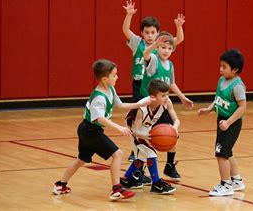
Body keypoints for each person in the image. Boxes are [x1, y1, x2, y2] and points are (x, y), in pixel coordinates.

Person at [52, 59, 151, 201]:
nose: (117, 77)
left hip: (87, 129)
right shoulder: (99, 97)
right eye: (114, 75)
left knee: (81, 159)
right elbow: (99, 118)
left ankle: (60, 185)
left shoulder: (110, 89)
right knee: (118, 154)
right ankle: (117, 189)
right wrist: (119, 127)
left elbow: (120, 105)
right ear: (105, 79)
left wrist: (140, 104)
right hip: (91, 130)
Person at [122, 0, 184, 163]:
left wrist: (179, 26)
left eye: (153, 32)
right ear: (142, 33)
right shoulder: (137, 42)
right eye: (147, 32)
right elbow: (125, 30)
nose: (150, 35)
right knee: (140, 117)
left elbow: (177, 40)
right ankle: (135, 148)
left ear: (157, 34)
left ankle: (163, 158)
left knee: (153, 118)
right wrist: (129, 15)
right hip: (140, 84)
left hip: (156, 87)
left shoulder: (161, 47)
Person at [140, 31, 193, 180]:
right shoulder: (153, 60)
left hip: (163, 105)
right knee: (146, 139)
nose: (166, 51)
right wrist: (154, 45)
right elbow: (145, 54)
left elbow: (171, 83)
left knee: (171, 133)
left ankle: (169, 166)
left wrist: (182, 97)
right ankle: (140, 169)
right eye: (163, 47)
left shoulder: (170, 65)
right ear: (157, 47)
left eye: (169, 48)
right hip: (148, 106)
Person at [197, 49, 247, 196]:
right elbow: (218, 99)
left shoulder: (237, 86)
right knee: (227, 151)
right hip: (222, 120)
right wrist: (208, 109)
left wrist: (229, 122)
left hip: (232, 123)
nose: (221, 70)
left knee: (221, 153)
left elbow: (243, 107)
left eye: (224, 67)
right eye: (220, 66)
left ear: (235, 69)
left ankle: (226, 184)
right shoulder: (221, 80)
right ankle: (237, 181)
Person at [121, 79, 177, 194]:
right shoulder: (142, 109)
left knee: (141, 157)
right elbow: (135, 130)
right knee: (151, 152)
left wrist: (174, 129)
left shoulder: (167, 102)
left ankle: (126, 179)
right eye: (163, 95)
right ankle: (156, 184)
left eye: (167, 94)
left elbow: (176, 119)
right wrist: (146, 136)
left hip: (146, 128)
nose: (166, 97)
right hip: (133, 129)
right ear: (153, 97)